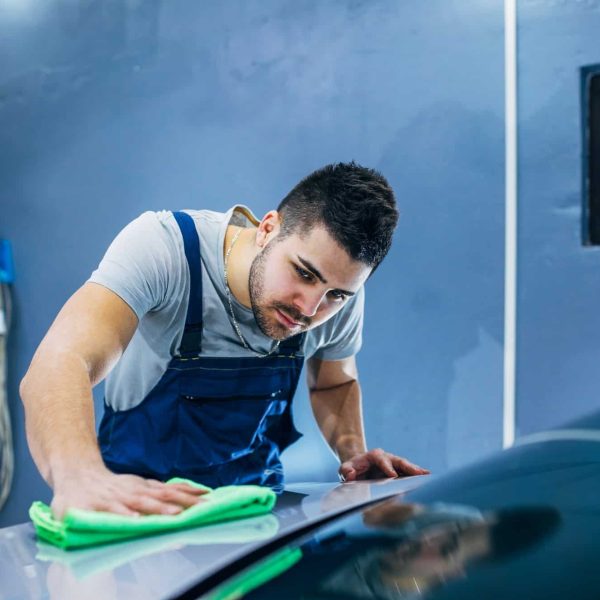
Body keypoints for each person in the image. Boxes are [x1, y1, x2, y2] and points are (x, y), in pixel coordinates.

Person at [20, 162, 429, 520]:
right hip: (141, 508)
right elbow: (62, 360)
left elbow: (334, 382)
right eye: (304, 273)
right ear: (268, 229)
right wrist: (79, 476)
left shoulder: (336, 293)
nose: (310, 308)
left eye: (337, 294)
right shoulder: (166, 249)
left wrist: (352, 452)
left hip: (253, 511)